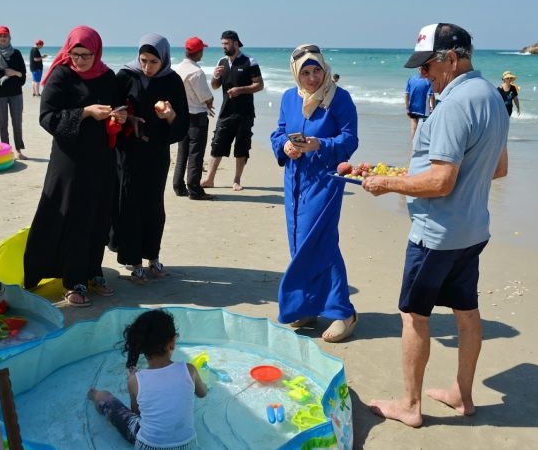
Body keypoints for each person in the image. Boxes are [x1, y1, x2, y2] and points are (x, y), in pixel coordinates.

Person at [362, 23, 509, 428]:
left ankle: (410, 405)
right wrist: (416, 173)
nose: (422, 76)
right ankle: (463, 394)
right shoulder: (493, 97)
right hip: (473, 228)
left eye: (427, 66)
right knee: (466, 310)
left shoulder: (454, 104)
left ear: (452, 58)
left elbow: (441, 182)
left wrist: (386, 183)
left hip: (437, 235)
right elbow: (498, 168)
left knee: (414, 315)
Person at [23, 25, 125, 307]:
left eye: (86, 55)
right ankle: (73, 281)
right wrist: (85, 112)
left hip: (102, 159)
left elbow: (118, 105)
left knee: (98, 215)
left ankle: (93, 271)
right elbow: (47, 117)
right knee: (70, 216)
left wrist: (120, 116)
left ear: (97, 52)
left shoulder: (107, 77)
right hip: (69, 160)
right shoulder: (61, 75)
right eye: (75, 54)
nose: (79, 60)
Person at [269, 44, 359, 343]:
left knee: (320, 242)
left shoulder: (340, 98)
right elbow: (280, 131)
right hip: (294, 179)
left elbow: (349, 139)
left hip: (325, 180)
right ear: (297, 74)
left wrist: (319, 145)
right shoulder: (289, 98)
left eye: (316, 70)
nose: (311, 78)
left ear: (325, 69)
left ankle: (343, 311)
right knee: (298, 241)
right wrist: (286, 146)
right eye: (305, 72)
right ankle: (308, 306)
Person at [111, 33, 189, 285]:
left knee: (154, 205)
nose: (147, 67)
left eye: (153, 61)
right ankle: (134, 263)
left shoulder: (172, 80)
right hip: (128, 152)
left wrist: (169, 115)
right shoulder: (126, 76)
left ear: (164, 59)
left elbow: (182, 125)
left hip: (156, 153)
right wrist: (126, 118)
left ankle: (153, 258)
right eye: (143, 60)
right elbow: (113, 108)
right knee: (130, 204)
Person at [87, 309, 207, 449]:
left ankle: (97, 395)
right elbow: (202, 393)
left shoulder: (136, 381)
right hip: (188, 445)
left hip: (148, 446)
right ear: (173, 342)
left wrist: (131, 379)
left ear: (141, 347)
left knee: (109, 402)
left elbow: (136, 413)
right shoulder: (189, 370)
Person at [201, 30, 263, 192]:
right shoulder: (221, 61)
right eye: (222, 44)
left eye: (226, 43)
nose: (224, 46)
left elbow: (259, 85)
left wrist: (240, 90)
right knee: (217, 144)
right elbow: (215, 86)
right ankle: (209, 178)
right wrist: (215, 76)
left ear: (236, 43)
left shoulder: (250, 61)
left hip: (245, 113)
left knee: (242, 147)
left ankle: (236, 180)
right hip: (226, 112)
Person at [172, 36, 215, 200]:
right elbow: (206, 97)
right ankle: (194, 189)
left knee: (182, 151)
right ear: (198, 52)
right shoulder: (196, 72)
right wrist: (209, 104)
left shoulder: (178, 68)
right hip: (197, 116)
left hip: (182, 114)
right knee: (196, 154)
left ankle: (178, 185)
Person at [0, 25, 29, 160]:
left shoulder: (17, 53)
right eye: (0, 36)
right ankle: (6, 151)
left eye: (5, 36)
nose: (3, 38)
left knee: (17, 122)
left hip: (16, 93)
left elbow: (23, 75)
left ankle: (19, 150)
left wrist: (14, 73)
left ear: (9, 37)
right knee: (3, 124)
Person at [405, 73, 435, 141]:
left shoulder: (411, 79)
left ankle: (413, 148)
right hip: (425, 109)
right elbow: (431, 96)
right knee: (423, 130)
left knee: (413, 128)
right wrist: (433, 108)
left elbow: (407, 94)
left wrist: (407, 108)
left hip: (413, 108)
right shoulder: (428, 80)